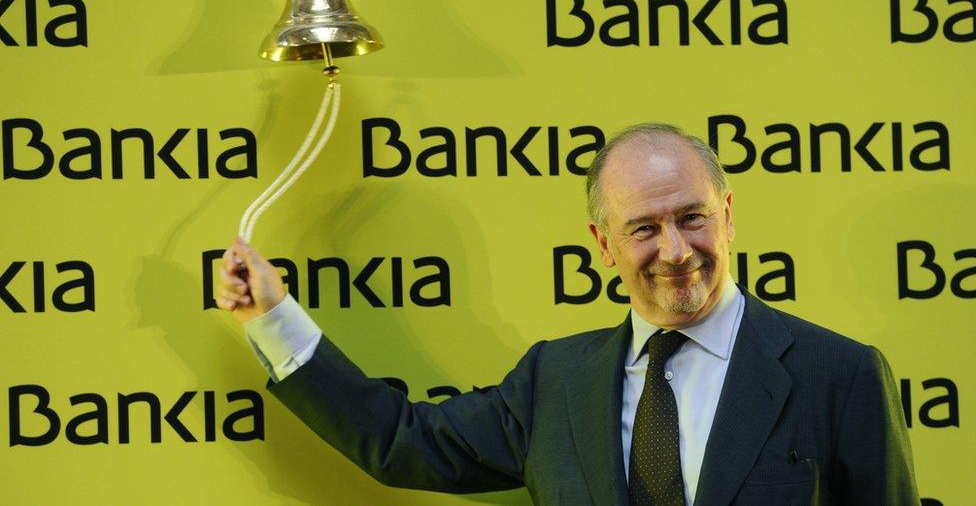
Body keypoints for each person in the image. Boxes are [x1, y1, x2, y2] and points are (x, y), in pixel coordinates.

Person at [217, 123, 919, 505]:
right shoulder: (555, 380)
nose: (676, 251)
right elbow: (404, 440)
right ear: (603, 245)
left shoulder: (842, 376)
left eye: (693, 218)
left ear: (728, 216)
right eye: (645, 228)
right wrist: (274, 317)